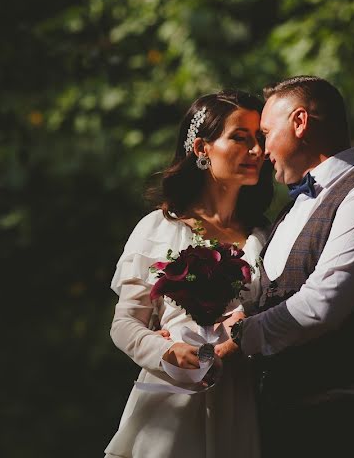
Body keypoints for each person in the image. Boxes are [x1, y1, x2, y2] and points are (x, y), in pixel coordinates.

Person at [214, 76, 354, 458]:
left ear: (300, 122)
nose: (261, 149)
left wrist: (239, 336)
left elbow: (320, 306)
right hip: (284, 426)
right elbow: (275, 297)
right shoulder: (289, 212)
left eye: (267, 133)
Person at [105, 90, 274, 458]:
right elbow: (125, 325)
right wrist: (167, 350)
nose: (257, 151)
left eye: (259, 140)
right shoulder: (159, 227)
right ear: (201, 147)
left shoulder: (265, 236)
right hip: (170, 402)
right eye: (240, 139)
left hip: (240, 401)